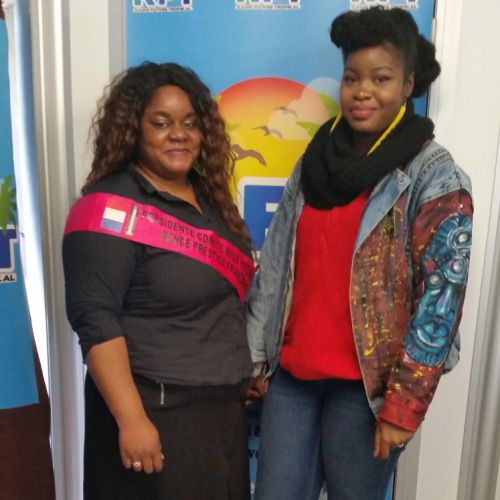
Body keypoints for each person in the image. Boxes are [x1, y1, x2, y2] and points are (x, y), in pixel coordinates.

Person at [246, 7, 473, 500]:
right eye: (352, 77)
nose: (362, 91)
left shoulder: (433, 174)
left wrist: (405, 404)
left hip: (368, 392)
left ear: (408, 84)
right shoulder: (315, 159)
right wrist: (256, 359)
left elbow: (441, 300)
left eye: (381, 78)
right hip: (294, 380)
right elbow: (276, 264)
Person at [62, 62, 255, 500]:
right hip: (158, 410)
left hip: (221, 412)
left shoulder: (210, 200)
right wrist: (132, 420)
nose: (179, 135)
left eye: (190, 123)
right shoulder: (108, 209)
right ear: (134, 129)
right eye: (162, 123)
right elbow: (95, 320)